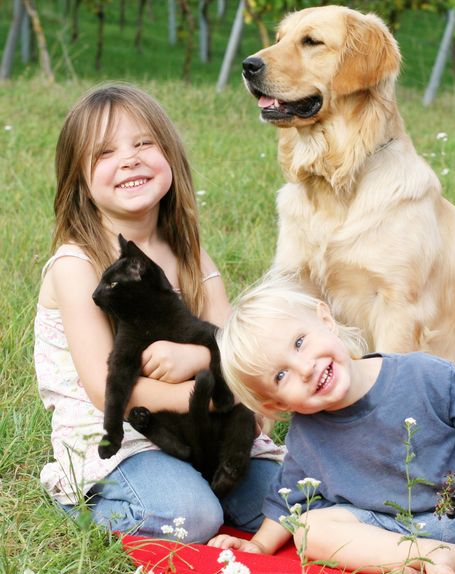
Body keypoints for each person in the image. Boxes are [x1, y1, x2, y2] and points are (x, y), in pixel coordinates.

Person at [34, 82, 283, 543]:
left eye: (144, 143)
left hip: (200, 427)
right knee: (191, 516)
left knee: (293, 500)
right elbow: (102, 388)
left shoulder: (188, 252)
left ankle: (204, 484)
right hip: (121, 436)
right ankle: (90, 498)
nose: (129, 158)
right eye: (104, 152)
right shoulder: (78, 265)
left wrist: (214, 372)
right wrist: (204, 396)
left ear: (169, 155)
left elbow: (234, 343)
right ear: (80, 181)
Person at [208, 274, 455, 574]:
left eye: (300, 342)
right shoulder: (308, 432)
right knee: (310, 531)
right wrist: (257, 544)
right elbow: (289, 499)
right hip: (386, 528)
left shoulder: (423, 374)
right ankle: (420, 558)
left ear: (325, 319)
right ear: (277, 404)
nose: (305, 368)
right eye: (281, 375)